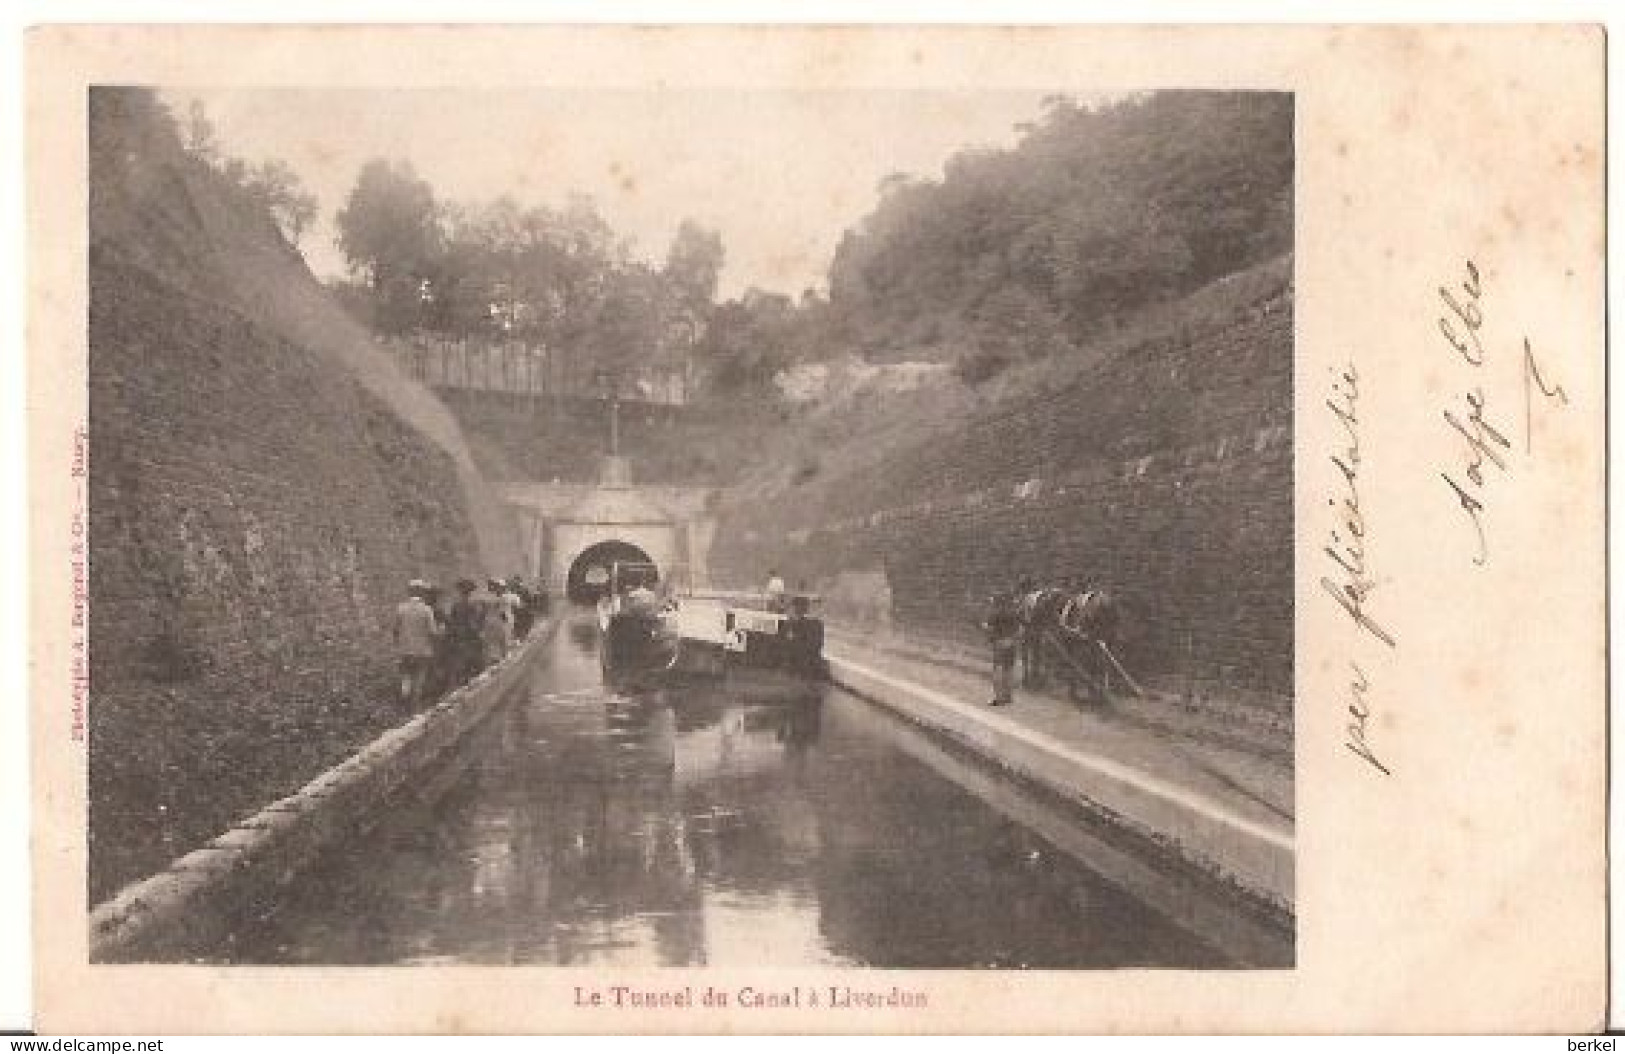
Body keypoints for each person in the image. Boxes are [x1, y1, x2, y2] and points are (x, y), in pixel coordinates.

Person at [391, 580, 439, 709]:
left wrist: (398, 645)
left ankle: (404, 701)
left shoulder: (401, 608)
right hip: (422, 651)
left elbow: (395, 630)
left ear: (410, 591)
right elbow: (433, 632)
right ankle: (414, 708)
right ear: (421, 592)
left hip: (405, 650)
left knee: (406, 677)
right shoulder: (427, 610)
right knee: (419, 679)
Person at [982, 588, 1022, 707]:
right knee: (1009, 670)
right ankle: (1008, 696)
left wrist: (984, 627)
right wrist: (1013, 639)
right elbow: (1019, 629)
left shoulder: (995, 612)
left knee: (997, 670)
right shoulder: (1013, 612)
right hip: (1012, 643)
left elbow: (989, 627)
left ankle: (998, 698)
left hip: (1000, 643)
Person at [445, 578, 486, 685]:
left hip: (457, 636)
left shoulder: (456, 604)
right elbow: (473, 624)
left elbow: (451, 621)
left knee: (457, 663)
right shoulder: (471, 605)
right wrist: (478, 632)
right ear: (470, 592)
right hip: (468, 637)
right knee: (471, 661)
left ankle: (457, 683)